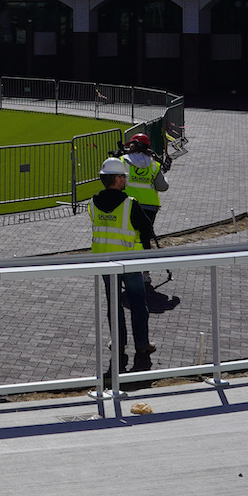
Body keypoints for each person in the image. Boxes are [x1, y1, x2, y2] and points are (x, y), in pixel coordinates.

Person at [90, 156, 157, 370]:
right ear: (117, 179)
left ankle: (118, 344)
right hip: (129, 261)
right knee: (138, 303)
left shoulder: (93, 203)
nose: (125, 180)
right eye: (124, 177)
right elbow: (146, 230)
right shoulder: (130, 204)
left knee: (114, 305)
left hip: (105, 261)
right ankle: (142, 344)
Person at [121, 133, 168, 251]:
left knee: (128, 235)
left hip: (128, 205)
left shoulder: (122, 161)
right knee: (145, 236)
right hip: (150, 207)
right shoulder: (153, 165)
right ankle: (145, 264)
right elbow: (163, 186)